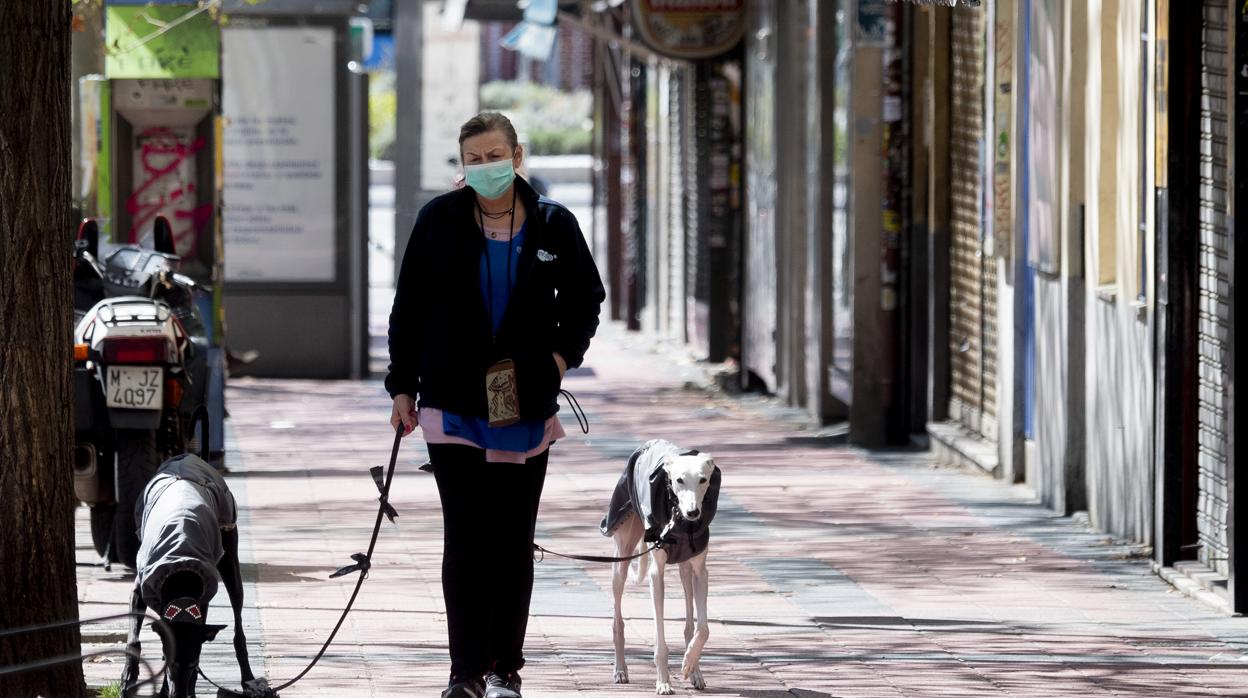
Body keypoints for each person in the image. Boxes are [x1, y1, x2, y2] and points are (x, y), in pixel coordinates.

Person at [386, 112, 605, 698]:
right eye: (473, 158)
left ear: (518, 154)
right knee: (465, 534)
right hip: (452, 401)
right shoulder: (438, 221)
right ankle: (465, 672)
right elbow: (409, 308)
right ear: (463, 165)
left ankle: (506, 667)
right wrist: (402, 387)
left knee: (511, 538)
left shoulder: (554, 224)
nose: (484, 167)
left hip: (523, 403)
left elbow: (587, 300)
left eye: (493, 155)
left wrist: (558, 361)